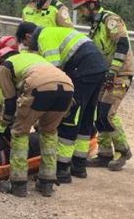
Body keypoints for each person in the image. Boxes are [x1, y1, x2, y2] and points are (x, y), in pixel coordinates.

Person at [15, 20, 107, 182]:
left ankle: (62, 169)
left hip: (83, 68)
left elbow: (54, 71)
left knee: (70, 116)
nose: (30, 50)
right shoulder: (54, 31)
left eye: (26, 45)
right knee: (85, 115)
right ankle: (79, 165)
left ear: (29, 37)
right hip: (98, 67)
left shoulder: (44, 36)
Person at [0, 36, 74, 197]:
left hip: (39, 88)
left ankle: (18, 183)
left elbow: (9, 102)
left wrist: (3, 126)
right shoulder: (33, 58)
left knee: (20, 132)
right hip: (67, 88)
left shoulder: (5, 66)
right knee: (49, 132)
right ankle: (47, 181)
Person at [69, 0, 134, 170]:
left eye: (82, 8)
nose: (81, 13)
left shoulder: (110, 20)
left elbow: (122, 44)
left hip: (120, 74)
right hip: (105, 75)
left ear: (91, 4)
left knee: (107, 113)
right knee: (98, 114)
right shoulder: (95, 27)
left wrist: (113, 70)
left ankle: (123, 150)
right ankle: (105, 153)